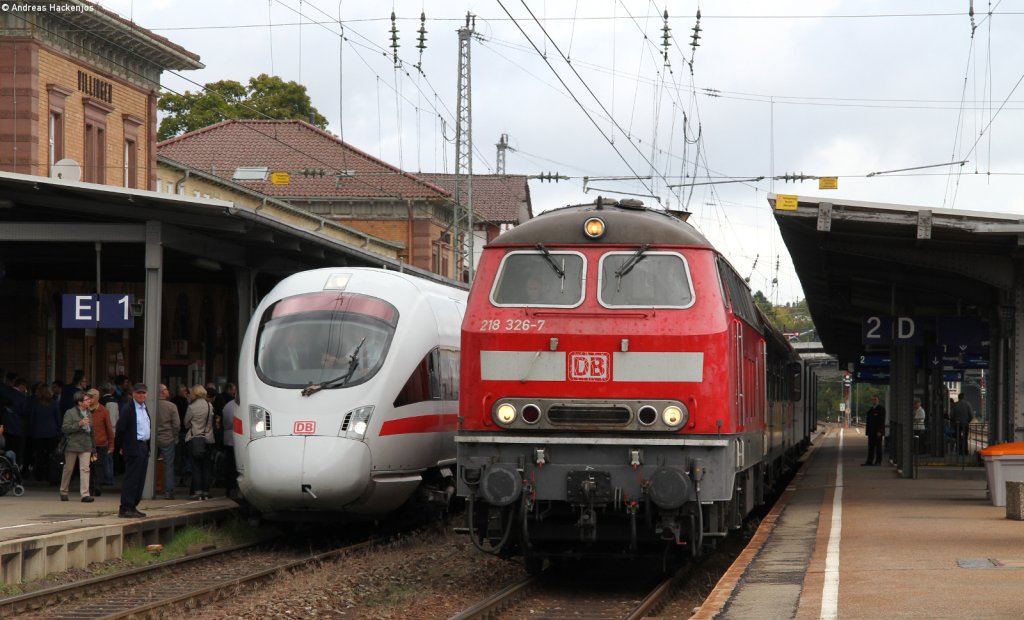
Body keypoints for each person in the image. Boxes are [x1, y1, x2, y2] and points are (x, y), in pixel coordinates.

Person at [115, 383, 152, 518]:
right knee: (132, 478)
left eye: (143, 393)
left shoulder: (144, 408)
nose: (141, 395)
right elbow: (120, 429)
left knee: (140, 479)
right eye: (139, 393)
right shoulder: (128, 409)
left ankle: (133, 505)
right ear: (133, 394)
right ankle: (125, 507)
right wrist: (121, 446)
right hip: (133, 446)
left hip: (143, 446)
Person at [59, 390, 96, 502]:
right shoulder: (70, 413)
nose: (89, 401)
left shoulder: (89, 413)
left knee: (85, 469)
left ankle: (85, 494)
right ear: (79, 402)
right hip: (72, 444)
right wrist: (79, 424)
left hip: (86, 444)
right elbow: (65, 428)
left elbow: (92, 432)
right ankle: (63, 491)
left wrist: (94, 448)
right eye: (86, 399)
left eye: (89, 399)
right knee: (69, 469)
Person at [184, 384, 215, 500]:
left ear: (195, 394)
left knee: (196, 466)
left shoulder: (192, 407)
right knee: (206, 466)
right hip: (208, 439)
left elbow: (186, 423)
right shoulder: (210, 405)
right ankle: (206, 491)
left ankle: (197, 491)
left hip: (195, 439)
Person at [156, 384, 181, 499]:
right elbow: (177, 424)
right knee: (168, 465)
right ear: (162, 392)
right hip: (167, 438)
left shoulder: (152, 405)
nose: (168, 391)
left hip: (153, 438)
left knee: (150, 464)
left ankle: (149, 488)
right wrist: (174, 436)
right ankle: (168, 491)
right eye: (166, 389)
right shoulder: (171, 406)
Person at [86, 387, 113, 497]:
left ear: (97, 398)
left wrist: (111, 444)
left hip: (100, 444)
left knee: (98, 465)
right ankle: (90, 487)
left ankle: (97, 486)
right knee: (89, 466)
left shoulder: (103, 410)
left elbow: (109, 428)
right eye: (88, 396)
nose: (89, 399)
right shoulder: (85, 409)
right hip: (87, 444)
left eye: (92, 397)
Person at [220, 389, 239, 499]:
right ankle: (234, 488)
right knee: (235, 466)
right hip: (236, 439)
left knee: (229, 465)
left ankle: (229, 488)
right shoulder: (238, 406)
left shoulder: (227, 406)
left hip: (227, 438)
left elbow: (225, 422)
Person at [862, 395, 886, 466]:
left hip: (878, 432)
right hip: (871, 432)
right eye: (872, 399)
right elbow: (868, 422)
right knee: (871, 447)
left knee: (878, 447)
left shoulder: (881, 409)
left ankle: (878, 461)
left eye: (875, 399)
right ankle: (869, 461)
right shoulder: (870, 410)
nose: (873, 401)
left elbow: (882, 421)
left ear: (878, 400)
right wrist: (867, 432)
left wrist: (880, 431)